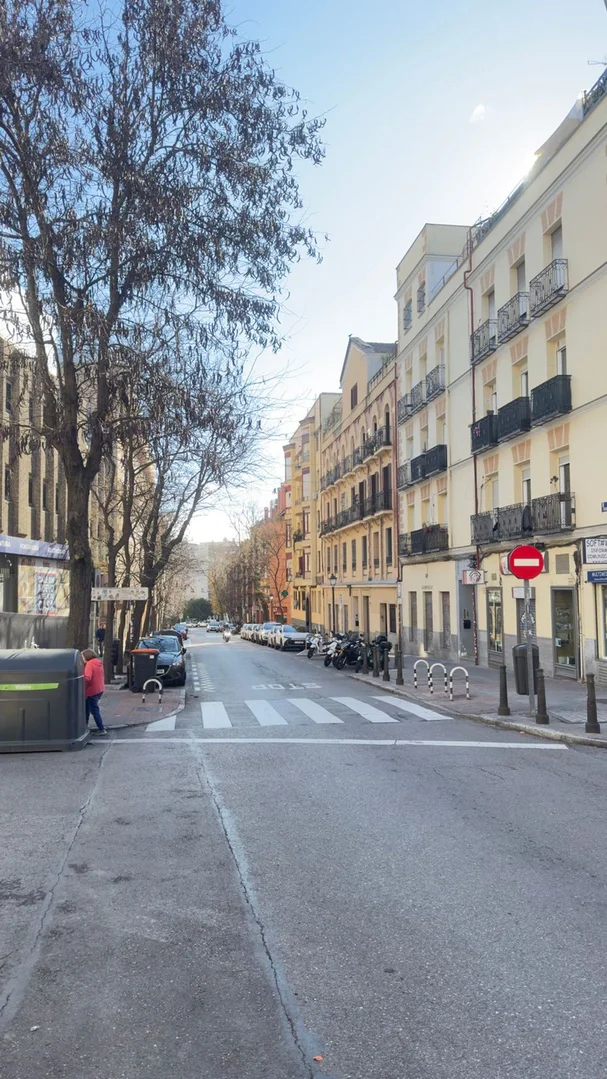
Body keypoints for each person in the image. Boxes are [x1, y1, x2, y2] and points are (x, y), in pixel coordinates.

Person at [81, 648, 107, 736]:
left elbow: (87, 677)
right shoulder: (98, 662)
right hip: (99, 689)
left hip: (91, 690)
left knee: (93, 709)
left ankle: (101, 728)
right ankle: (85, 724)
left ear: (86, 657)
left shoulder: (89, 664)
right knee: (87, 706)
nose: (82, 659)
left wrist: (80, 679)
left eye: (83, 657)